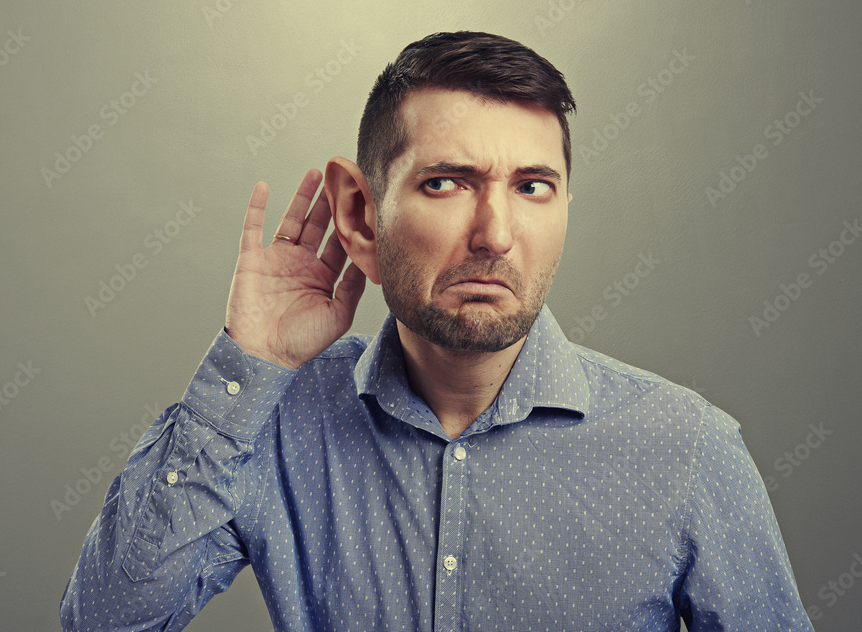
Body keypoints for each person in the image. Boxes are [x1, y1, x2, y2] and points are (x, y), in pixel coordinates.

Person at [60, 31, 813, 631]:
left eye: (533, 187)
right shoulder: (274, 424)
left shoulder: (689, 449)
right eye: (446, 183)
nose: (496, 234)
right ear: (360, 215)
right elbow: (103, 622)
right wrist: (248, 364)